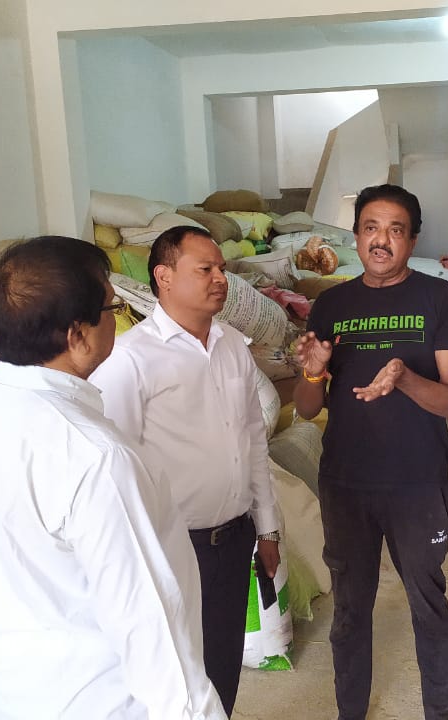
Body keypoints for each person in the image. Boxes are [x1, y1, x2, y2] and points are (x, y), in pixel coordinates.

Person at [0, 236, 226, 720]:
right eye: (111, 308)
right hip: (105, 701)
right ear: (77, 335)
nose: (117, 319)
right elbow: (147, 623)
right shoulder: (95, 456)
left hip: (9, 694)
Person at [293, 184, 448, 720]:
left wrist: (405, 378)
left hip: (416, 482)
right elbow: (306, 407)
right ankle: (350, 711)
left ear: (412, 240)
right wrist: (313, 371)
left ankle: (437, 711)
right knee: (350, 609)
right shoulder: (331, 304)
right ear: (355, 236)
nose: (382, 240)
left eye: (396, 230)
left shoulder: (441, 299)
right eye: (371, 228)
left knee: (428, 603)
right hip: (345, 482)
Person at [89, 226, 281, 717]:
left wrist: (267, 528)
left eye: (222, 269)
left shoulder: (232, 344)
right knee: (176, 675)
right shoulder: (130, 359)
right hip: (174, 548)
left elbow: (253, 439)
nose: (220, 279)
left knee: (222, 666)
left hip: (233, 540)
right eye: (206, 269)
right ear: (164, 276)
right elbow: (116, 467)